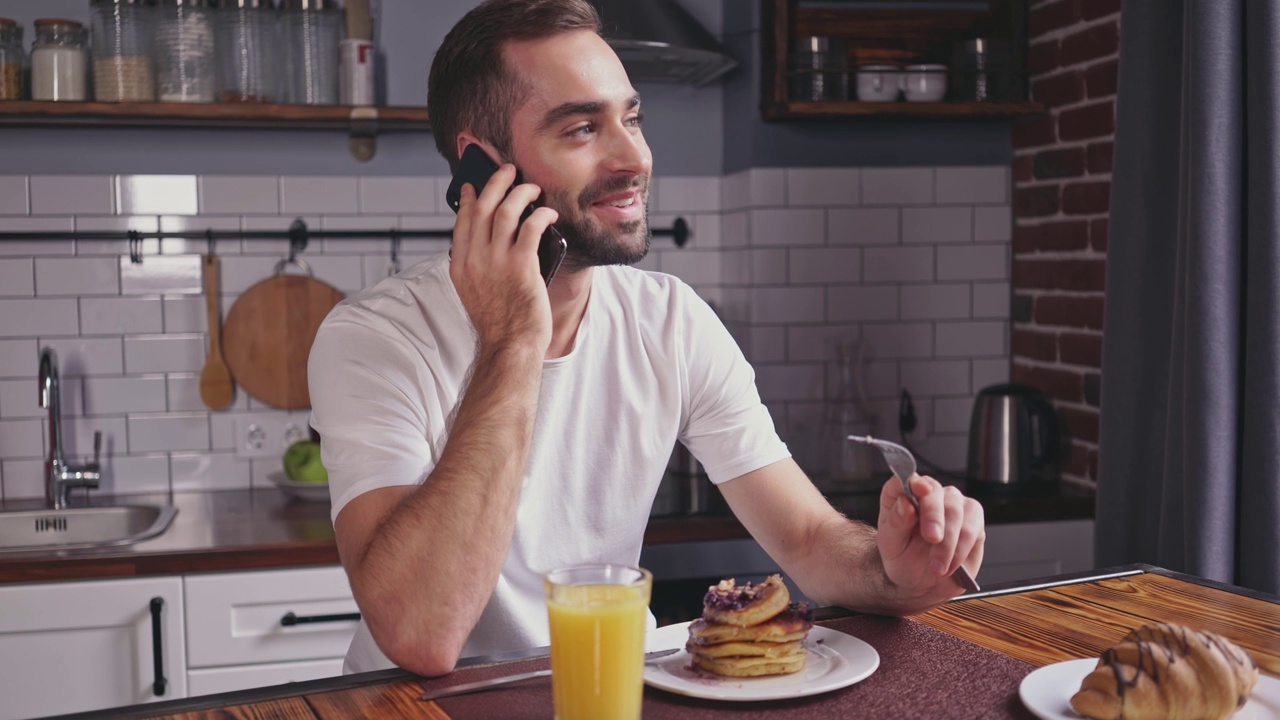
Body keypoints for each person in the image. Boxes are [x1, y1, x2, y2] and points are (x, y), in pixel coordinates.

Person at [307, 0, 986, 677]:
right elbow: (422, 634)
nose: (634, 157)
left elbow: (808, 538)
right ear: (482, 167)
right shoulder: (375, 339)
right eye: (581, 129)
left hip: (604, 690)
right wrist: (514, 338)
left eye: (631, 118)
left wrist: (893, 568)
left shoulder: (671, 320)